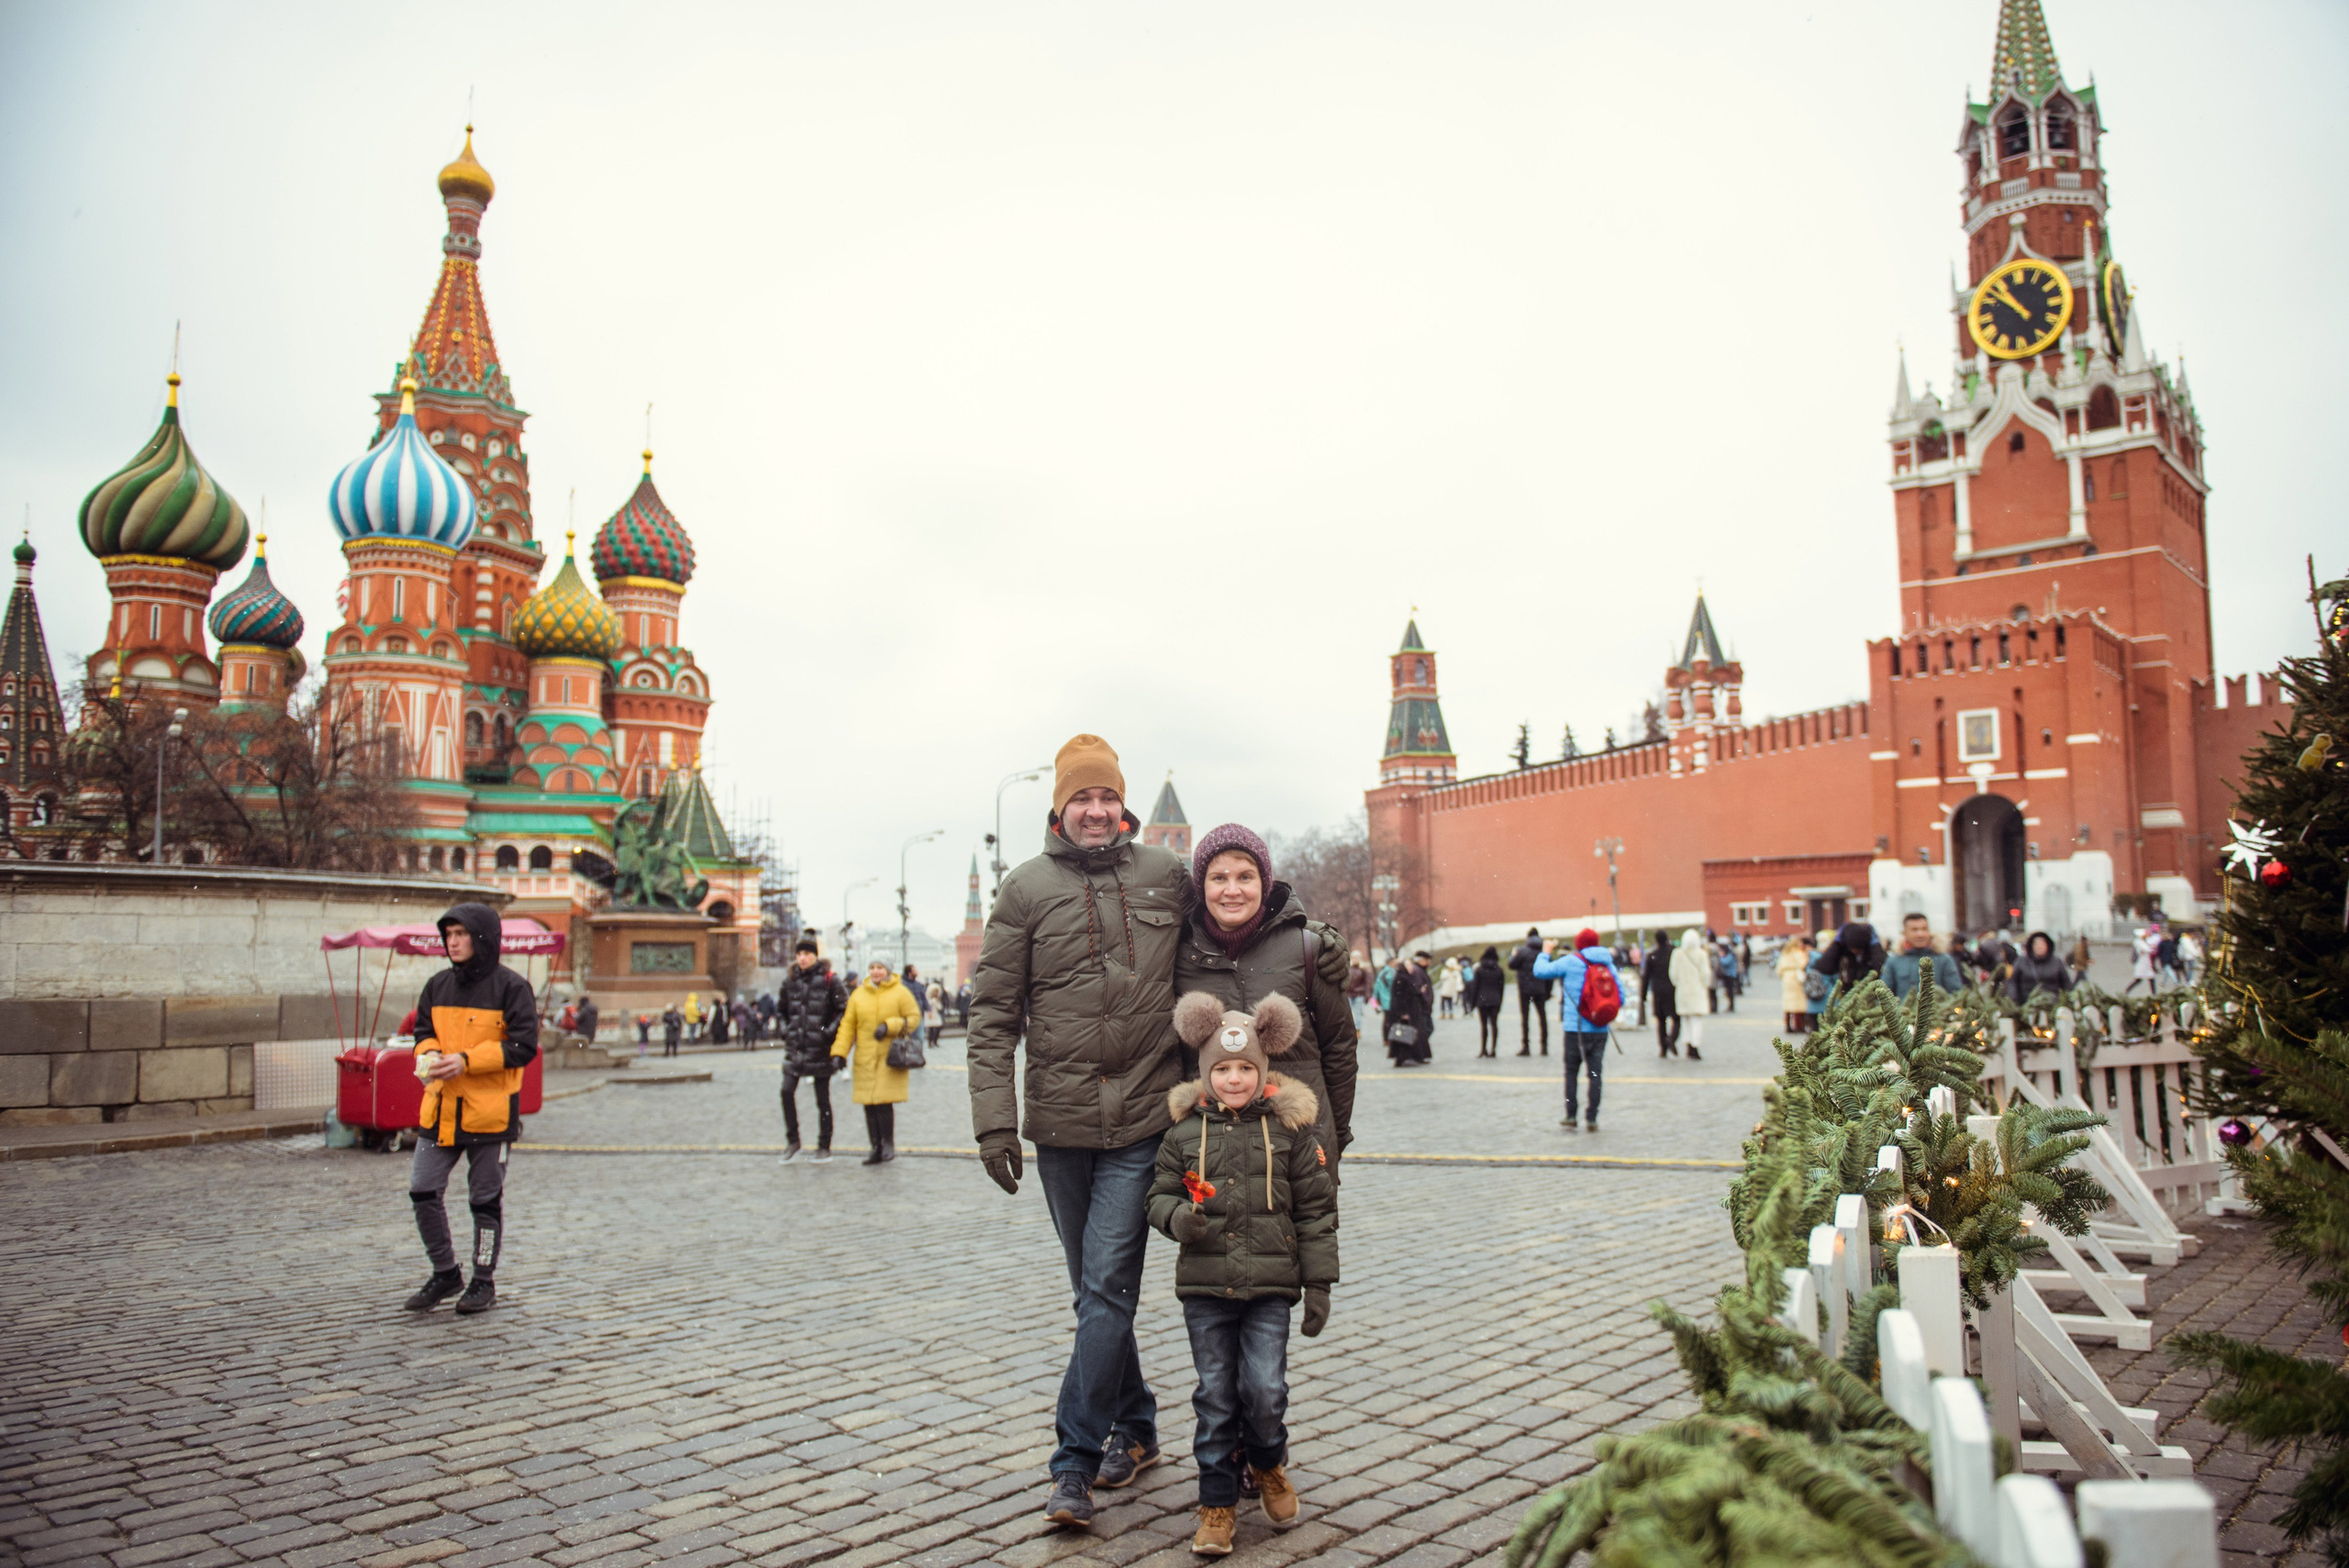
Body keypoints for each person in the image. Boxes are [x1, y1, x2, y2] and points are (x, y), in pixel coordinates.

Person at [965, 734, 1192, 1529]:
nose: (1096, 811)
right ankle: (1137, 1424)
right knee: (1095, 1292)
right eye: (1082, 798)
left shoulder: (1168, 876)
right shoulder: (1024, 890)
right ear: (1060, 808)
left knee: (1105, 1286)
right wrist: (995, 1121)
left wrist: (1308, 938)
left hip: (1141, 1116)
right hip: (1060, 1126)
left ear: (1123, 807)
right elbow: (991, 1015)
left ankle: (1073, 1461)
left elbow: (1236, 929)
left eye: (1107, 798)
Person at [1154, 992, 1337, 1556]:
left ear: (1263, 1072)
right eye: (1223, 1069)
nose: (1234, 1080)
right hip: (1206, 1290)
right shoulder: (1184, 1134)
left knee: (1264, 1391)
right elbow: (1157, 1196)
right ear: (1207, 1074)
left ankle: (1267, 1461)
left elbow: (1315, 1211)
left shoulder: (1290, 1134)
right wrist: (1175, 1218)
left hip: (1268, 1290)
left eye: (1245, 1069)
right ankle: (1216, 1504)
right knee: (1215, 1396)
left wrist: (1319, 1284)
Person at [1173, 822, 1358, 1182]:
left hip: (1301, 1149)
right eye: (1218, 878)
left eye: (1246, 877)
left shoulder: (1308, 950)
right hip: (1212, 1152)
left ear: (1265, 883)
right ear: (1201, 886)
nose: (1232, 891)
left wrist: (1331, 1133)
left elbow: (1339, 1049)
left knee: (1312, 1237)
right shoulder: (1179, 955)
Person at [401, 903, 540, 1317]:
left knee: (484, 1200)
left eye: (461, 934)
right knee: (423, 1190)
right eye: (449, 934)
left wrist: (467, 1060)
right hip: (441, 1108)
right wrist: (426, 1057)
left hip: (490, 1114)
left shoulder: (512, 988)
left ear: (481, 938)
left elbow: (523, 1046)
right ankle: (445, 1271)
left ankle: (483, 1280)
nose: (453, 942)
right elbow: (423, 1032)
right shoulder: (436, 985)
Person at [833, 957, 919, 1165]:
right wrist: (840, 1052)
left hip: (889, 1057)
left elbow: (914, 1019)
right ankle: (875, 1147)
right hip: (865, 1057)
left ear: (888, 970)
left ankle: (887, 1144)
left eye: (880, 968)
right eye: (872, 967)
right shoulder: (858, 995)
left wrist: (890, 1026)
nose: (875, 971)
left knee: (883, 1103)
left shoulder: (900, 992)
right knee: (869, 1105)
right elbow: (848, 1025)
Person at [1532, 929, 1620, 1132]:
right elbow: (1620, 996)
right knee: (1596, 1073)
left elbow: (1540, 971)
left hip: (1575, 1029)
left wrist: (1546, 951)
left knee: (1571, 1072)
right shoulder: (1607, 963)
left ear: (1578, 944)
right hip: (1600, 1028)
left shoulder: (1571, 962)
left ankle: (1571, 1115)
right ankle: (1592, 1118)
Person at [778, 939, 847, 1162]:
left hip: (820, 1047)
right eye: (799, 954)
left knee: (822, 1099)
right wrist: (785, 1030)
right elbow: (781, 1011)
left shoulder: (830, 980)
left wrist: (828, 1032)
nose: (803, 958)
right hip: (796, 1046)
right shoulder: (790, 981)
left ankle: (824, 1145)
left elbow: (843, 1010)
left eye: (807, 953)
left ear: (816, 956)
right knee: (786, 1091)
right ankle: (793, 1141)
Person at [1885, 912, 1965, 1000]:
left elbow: (1956, 995)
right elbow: (1884, 997)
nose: (1920, 934)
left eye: (1924, 929)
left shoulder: (1944, 960)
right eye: (1914, 930)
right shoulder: (1894, 961)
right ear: (1905, 933)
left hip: (1938, 1012)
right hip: (1903, 1013)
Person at [1809, 921, 1887, 1006]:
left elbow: (1882, 966)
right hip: (1847, 999)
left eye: (1859, 949)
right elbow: (1824, 967)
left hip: (1871, 999)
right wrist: (1836, 943)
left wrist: (1875, 945)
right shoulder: (1843, 951)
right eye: (1852, 948)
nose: (1855, 952)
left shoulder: (1872, 952)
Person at [1667, 929, 1712, 1062]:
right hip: (1696, 990)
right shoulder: (1701, 954)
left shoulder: (1677, 954)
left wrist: (1678, 984)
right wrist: (1704, 985)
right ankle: (1695, 1046)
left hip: (1682, 992)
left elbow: (1673, 974)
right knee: (1696, 1021)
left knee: (1686, 1020)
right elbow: (1705, 974)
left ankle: (1687, 1045)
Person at [1386, 951, 1434, 1066]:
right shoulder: (1401, 978)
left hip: (1412, 1011)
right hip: (1406, 1011)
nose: (1411, 967)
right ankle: (1403, 1058)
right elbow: (1398, 997)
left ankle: (1414, 1056)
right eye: (1409, 965)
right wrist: (1403, 1012)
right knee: (1405, 1035)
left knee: (1410, 1034)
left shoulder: (1405, 977)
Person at [1508, 929, 1552, 1057]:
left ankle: (1526, 1046)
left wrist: (1513, 954)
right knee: (1542, 1017)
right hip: (1540, 989)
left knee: (1525, 1018)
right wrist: (1548, 992)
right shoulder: (1543, 953)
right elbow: (1550, 973)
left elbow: (1511, 965)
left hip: (1525, 989)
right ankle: (1544, 1046)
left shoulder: (1522, 951)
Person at [2006, 930, 2074, 1005]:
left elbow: (2066, 983)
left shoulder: (2057, 962)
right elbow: (2012, 982)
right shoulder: (2021, 962)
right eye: (2036, 944)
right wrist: (2014, 999)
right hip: (2027, 1004)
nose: (2039, 947)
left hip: (2052, 1003)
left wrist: (2068, 1000)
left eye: (2042, 944)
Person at [1643, 930, 1679, 1057]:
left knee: (1661, 1021)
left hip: (1658, 992)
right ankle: (1672, 1038)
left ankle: (1663, 1049)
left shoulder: (1652, 955)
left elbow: (1646, 977)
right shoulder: (1673, 953)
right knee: (1676, 1017)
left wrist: (1643, 995)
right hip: (1672, 990)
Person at [1468, 946, 1507, 1057]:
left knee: (1483, 1026)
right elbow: (1501, 988)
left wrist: (1472, 1003)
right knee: (1494, 1025)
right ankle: (1493, 1050)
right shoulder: (1499, 970)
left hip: (1482, 1000)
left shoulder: (1479, 970)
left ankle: (1483, 1049)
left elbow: (1475, 987)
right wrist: (1500, 1002)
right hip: (1495, 1000)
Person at [1776, 937, 1812, 1033]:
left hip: (1786, 977)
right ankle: (1801, 1026)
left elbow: (1779, 968)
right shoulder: (1799, 953)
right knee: (1800, 1001)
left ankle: (1787, 1025)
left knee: (1788, 1001)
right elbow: (1803, 964)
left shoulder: (1785, 953)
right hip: (1796, 977)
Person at [1344, 951, 1371, 1031]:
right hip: (1348, 994)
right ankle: (1348, 1029)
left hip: (1358, 994)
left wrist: (1367, 994)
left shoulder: (1363, 970)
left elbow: (1367, 983)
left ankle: (1357, 1029)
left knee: (1358, 1013)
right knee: (1347, 1013)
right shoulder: (1348, 968)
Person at [1435, 954, 1463, 1019]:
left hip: (1447, 989)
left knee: (1445, 1002)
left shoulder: (1448, 972)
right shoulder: (1453, 972)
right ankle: (1447, 1013)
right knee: (1448, 1001)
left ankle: (1446, 1013)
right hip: (1448, 989)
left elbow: (1442, 977)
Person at [926, 978, 947, 1050]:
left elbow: (940, 1007)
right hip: (930, 1015)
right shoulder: (929, 999)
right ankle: (930, 1042)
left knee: (938, 1028)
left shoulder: (937, 999)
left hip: (936, 1015)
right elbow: (928, 1005)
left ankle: (935, 1041)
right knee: (931, 1030)